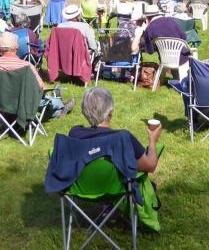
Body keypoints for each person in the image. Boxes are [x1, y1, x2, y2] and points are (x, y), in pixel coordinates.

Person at [66, 87, 162, 230]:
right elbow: (150, 166)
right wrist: (153, 141)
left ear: (84, 112)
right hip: (116, 189)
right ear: (110, 114)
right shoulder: (122, 138)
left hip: (80, 189)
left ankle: (105, 207)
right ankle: (112, 207)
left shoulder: (74, 134)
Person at [0, 32, 75, 118]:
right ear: (17, 49)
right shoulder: (27, 66)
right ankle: (60, 105)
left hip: (1, 104)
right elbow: (40, 87)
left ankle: (58, 103)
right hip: (25, 104)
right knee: (48, 100)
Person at [142, 5, 189, 80]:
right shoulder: (171, 20)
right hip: (182, 56)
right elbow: (183, 36)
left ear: (147, 18)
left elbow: (149, 51)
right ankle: (180, 79)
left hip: (164, 58)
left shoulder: (149, 28)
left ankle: (174, 78)